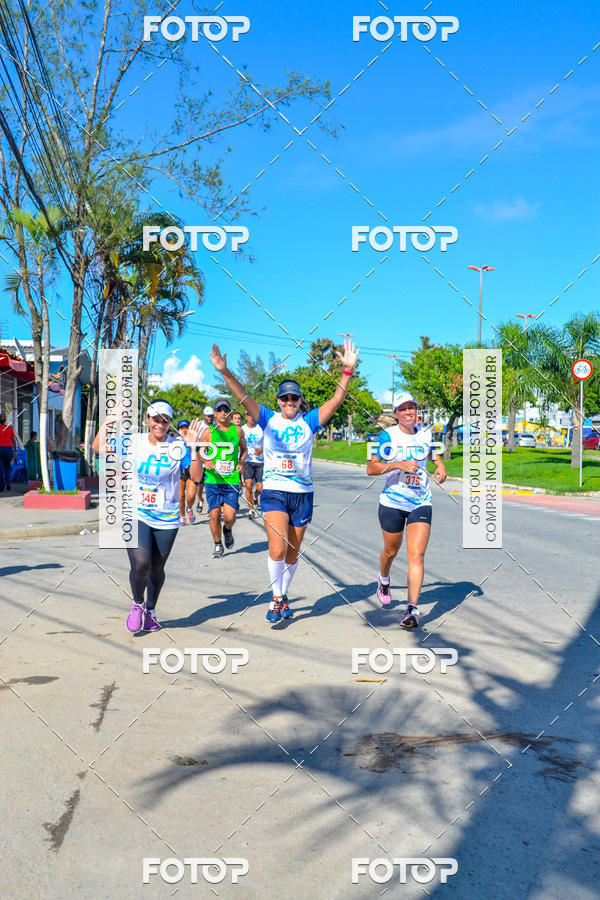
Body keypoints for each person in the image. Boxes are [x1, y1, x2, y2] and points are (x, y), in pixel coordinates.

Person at [210, 339, 359, 623]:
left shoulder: (310, 420)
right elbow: (241, 396)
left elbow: (337, 400)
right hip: (276, 491)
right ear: (278, 401)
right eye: (285, 398)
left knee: (292, 554)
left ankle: (283, 593)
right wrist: (225, 371)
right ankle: (276, 598)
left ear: (300, 401)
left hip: (302, 493)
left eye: (294, 398)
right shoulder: (267, 418)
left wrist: (347, 372)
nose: (289, 402)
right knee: (277, 549)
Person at [92, 399, 204, 632]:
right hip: (136, 512)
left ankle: (151, 610)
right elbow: (98, 446)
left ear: (170, 423)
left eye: (165, 420)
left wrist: (194, 448)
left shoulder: (178, 446)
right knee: (141, 563)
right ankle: (138, 604)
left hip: (167, 516)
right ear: (147, 420)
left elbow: (195, 476)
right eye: (156, 419)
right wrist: (111, 417)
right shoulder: (134, 442)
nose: (160, 424)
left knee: (156, 568)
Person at [366, 392, 446, 628]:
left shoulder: (425, 434)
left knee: (416, 555)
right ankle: (383, 578)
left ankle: (412, 610)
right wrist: (399, 464)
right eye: (403, 409)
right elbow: (371, 468)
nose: (408, 412)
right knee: (391, 551)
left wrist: (440, 465)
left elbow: (434, 456)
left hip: (420, 501)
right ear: (396, 414)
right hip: (392, 502)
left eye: (412, 407)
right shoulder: (386, 437)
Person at [200, 398, 247, 557]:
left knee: (230, 516)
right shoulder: (209, 432)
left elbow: (244, 449)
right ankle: (218, 544)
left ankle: (227, 530)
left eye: (225, 410)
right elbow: (200, 451)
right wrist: (206, 460)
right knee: (214, 514)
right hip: (213, 480)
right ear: (214, 413)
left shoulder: (238, 431)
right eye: (219, 410)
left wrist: (241, 463)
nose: (223, 413)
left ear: (229, 413)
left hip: (231, 480)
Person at [242, 411, 264, 517]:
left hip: (260, 461)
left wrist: (261, 450)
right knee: (249, 485)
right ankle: (251, 509)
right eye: (248, 415)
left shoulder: (261, 428)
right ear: (246, 417)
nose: (251, 417)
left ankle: (256, 497)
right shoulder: (242, 429)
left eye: (252, 415)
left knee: (260, 487)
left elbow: (268, 442)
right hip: (247, 461)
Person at [177, 420, 198, 525]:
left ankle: (189, 508)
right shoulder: (174, 441)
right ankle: (182, 515)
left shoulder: (194, 440)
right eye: (182, 428)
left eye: (186, 427)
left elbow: (200, 454)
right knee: (180, 497)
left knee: (191, 495)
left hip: (191, 469)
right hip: (178, 470)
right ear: (178, 430)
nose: (184, 430)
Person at [195, 405, 215, 514]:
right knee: (200, 483)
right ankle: (200, 500)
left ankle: (211, 505)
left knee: (210, 483)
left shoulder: (216, 426)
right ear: (204, 416)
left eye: (211, 416)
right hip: (200, 457)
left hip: (212, 458)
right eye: (208, 416)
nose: (210, 418)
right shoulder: (198, 426)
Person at [0, 413, 17, 492]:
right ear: (5, 420)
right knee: (8, 467)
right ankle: (8, 483)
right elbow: (13, 440)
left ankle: (1, 486)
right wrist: (15, 450)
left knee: (1, 469)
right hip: (8, 449)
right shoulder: (9, 428)